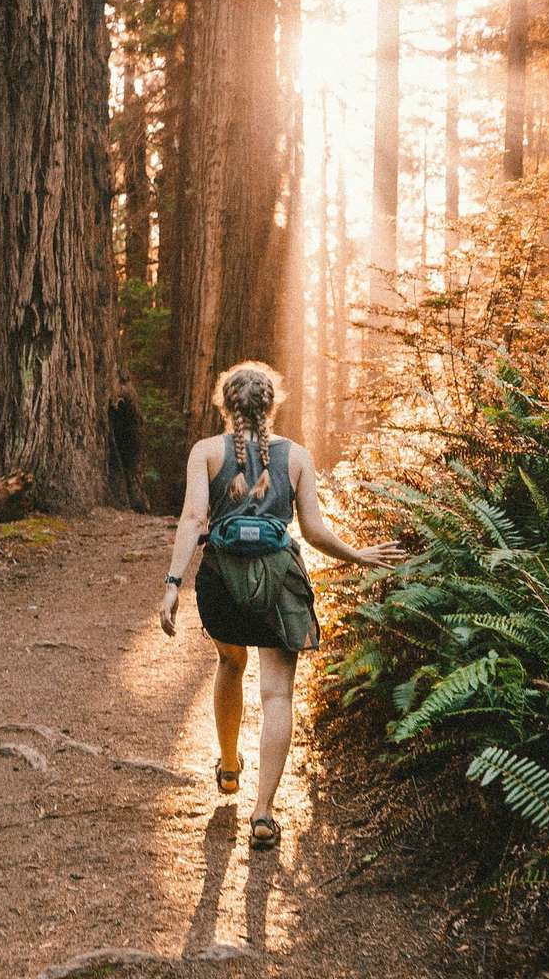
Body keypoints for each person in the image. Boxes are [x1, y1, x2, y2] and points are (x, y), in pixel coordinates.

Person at [157, 361, 404, 850]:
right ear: (271, 406)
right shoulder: (295, 457)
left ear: (225, 406)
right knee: (277, 696)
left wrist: (171, 584)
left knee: (230, 662)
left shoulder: (206, 452)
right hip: (279, 584)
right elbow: (311, 531)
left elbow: (191, 518)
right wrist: (356, 553)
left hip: (221, 585)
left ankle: (229, 767)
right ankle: (264, 812)